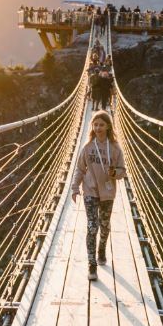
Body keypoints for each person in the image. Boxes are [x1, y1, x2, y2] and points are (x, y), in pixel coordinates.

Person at [70, 110, 126, 281]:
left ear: (108, 126)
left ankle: (102, 248)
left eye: (101, 125)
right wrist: (74, 188)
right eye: (95, 125)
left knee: (105, 226)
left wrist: (115, 172)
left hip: (108, 193)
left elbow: (122, 171)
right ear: (92, 127)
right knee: (92, 226)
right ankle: (92, 264)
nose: (98, 128)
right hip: (90, 191)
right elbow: (80, 169)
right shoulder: (88, 147)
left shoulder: (115, 148)